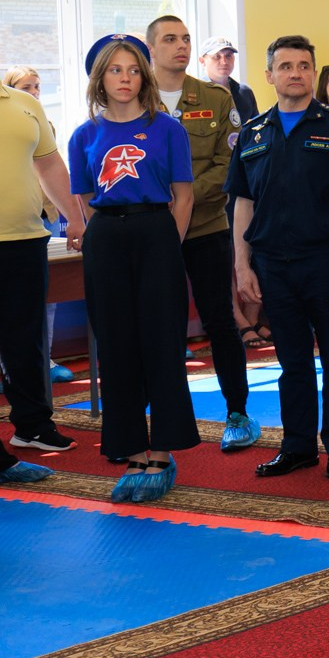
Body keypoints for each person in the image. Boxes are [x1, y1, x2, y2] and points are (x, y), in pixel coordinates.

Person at [68, 34, 199, 502]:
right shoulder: (84, 135)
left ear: (144, 77)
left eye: (133, 70)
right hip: (106, 238)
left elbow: (184, 196)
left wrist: (167, 244)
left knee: (162, 343)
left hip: (156, 232)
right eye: (115, 70)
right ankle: (132, 452)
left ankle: (161, 452)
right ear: (99, 78)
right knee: (116, 346)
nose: (125, 78)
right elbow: (84, 198)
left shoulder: (167, 129)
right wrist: (104, 234)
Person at [228, 35, 329, 480]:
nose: (295, 73)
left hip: (328, 260)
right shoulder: (253, 132)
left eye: (304, 65)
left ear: (313, 73)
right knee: (292, 361)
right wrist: (242, 264)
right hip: (272, 264)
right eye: (285, 66)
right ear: (269, 76)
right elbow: (243, 203)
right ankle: (298, 446)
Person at [0, 23, 82, 456]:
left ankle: (32, 426)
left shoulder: (26, 104)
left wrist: (75, 217)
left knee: (26, 342)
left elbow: (49, 165)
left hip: (24, 241)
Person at [145, 16, 255, 452]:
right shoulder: (133, 98)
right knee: (162, 324)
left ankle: (238, 413)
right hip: (153, 230)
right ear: (150, 48)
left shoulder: (214, 97)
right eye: (170, 39)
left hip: (206, 225)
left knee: (220, 320)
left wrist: (182, 198)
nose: (181, 46)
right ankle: (169, 416)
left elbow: (229, 164)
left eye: (186, 38)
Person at [0, 66, 74, 390]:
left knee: (48, 294)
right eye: (27, 87)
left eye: (38, 86)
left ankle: (45, 359)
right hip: (5, 220)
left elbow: (51, 167)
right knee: (3, 302)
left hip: (44, 215)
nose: (35, 92)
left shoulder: (43, 121)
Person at [199, 37, 258, 124]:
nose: (224, 62)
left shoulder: (245, 92)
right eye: (217, 56)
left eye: (228, 56)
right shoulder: (194, 93)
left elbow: (256, 127)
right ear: (202, 61)